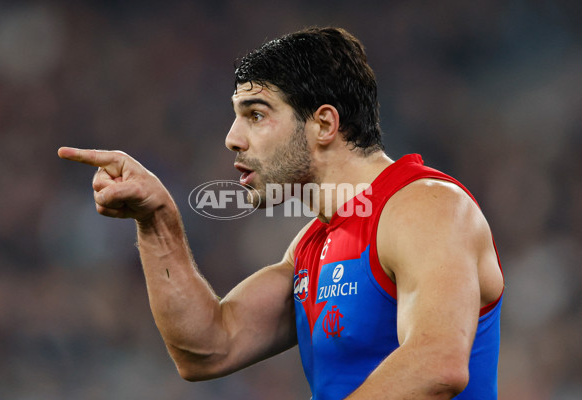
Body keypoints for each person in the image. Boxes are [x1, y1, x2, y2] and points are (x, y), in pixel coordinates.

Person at [58, 27, 504, 400]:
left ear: (325, 124)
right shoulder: (314, 244)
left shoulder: (427, 206)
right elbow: (207, 349)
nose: (233, 138)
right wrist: (156, 221)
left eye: (256, 114)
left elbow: (437, 363)